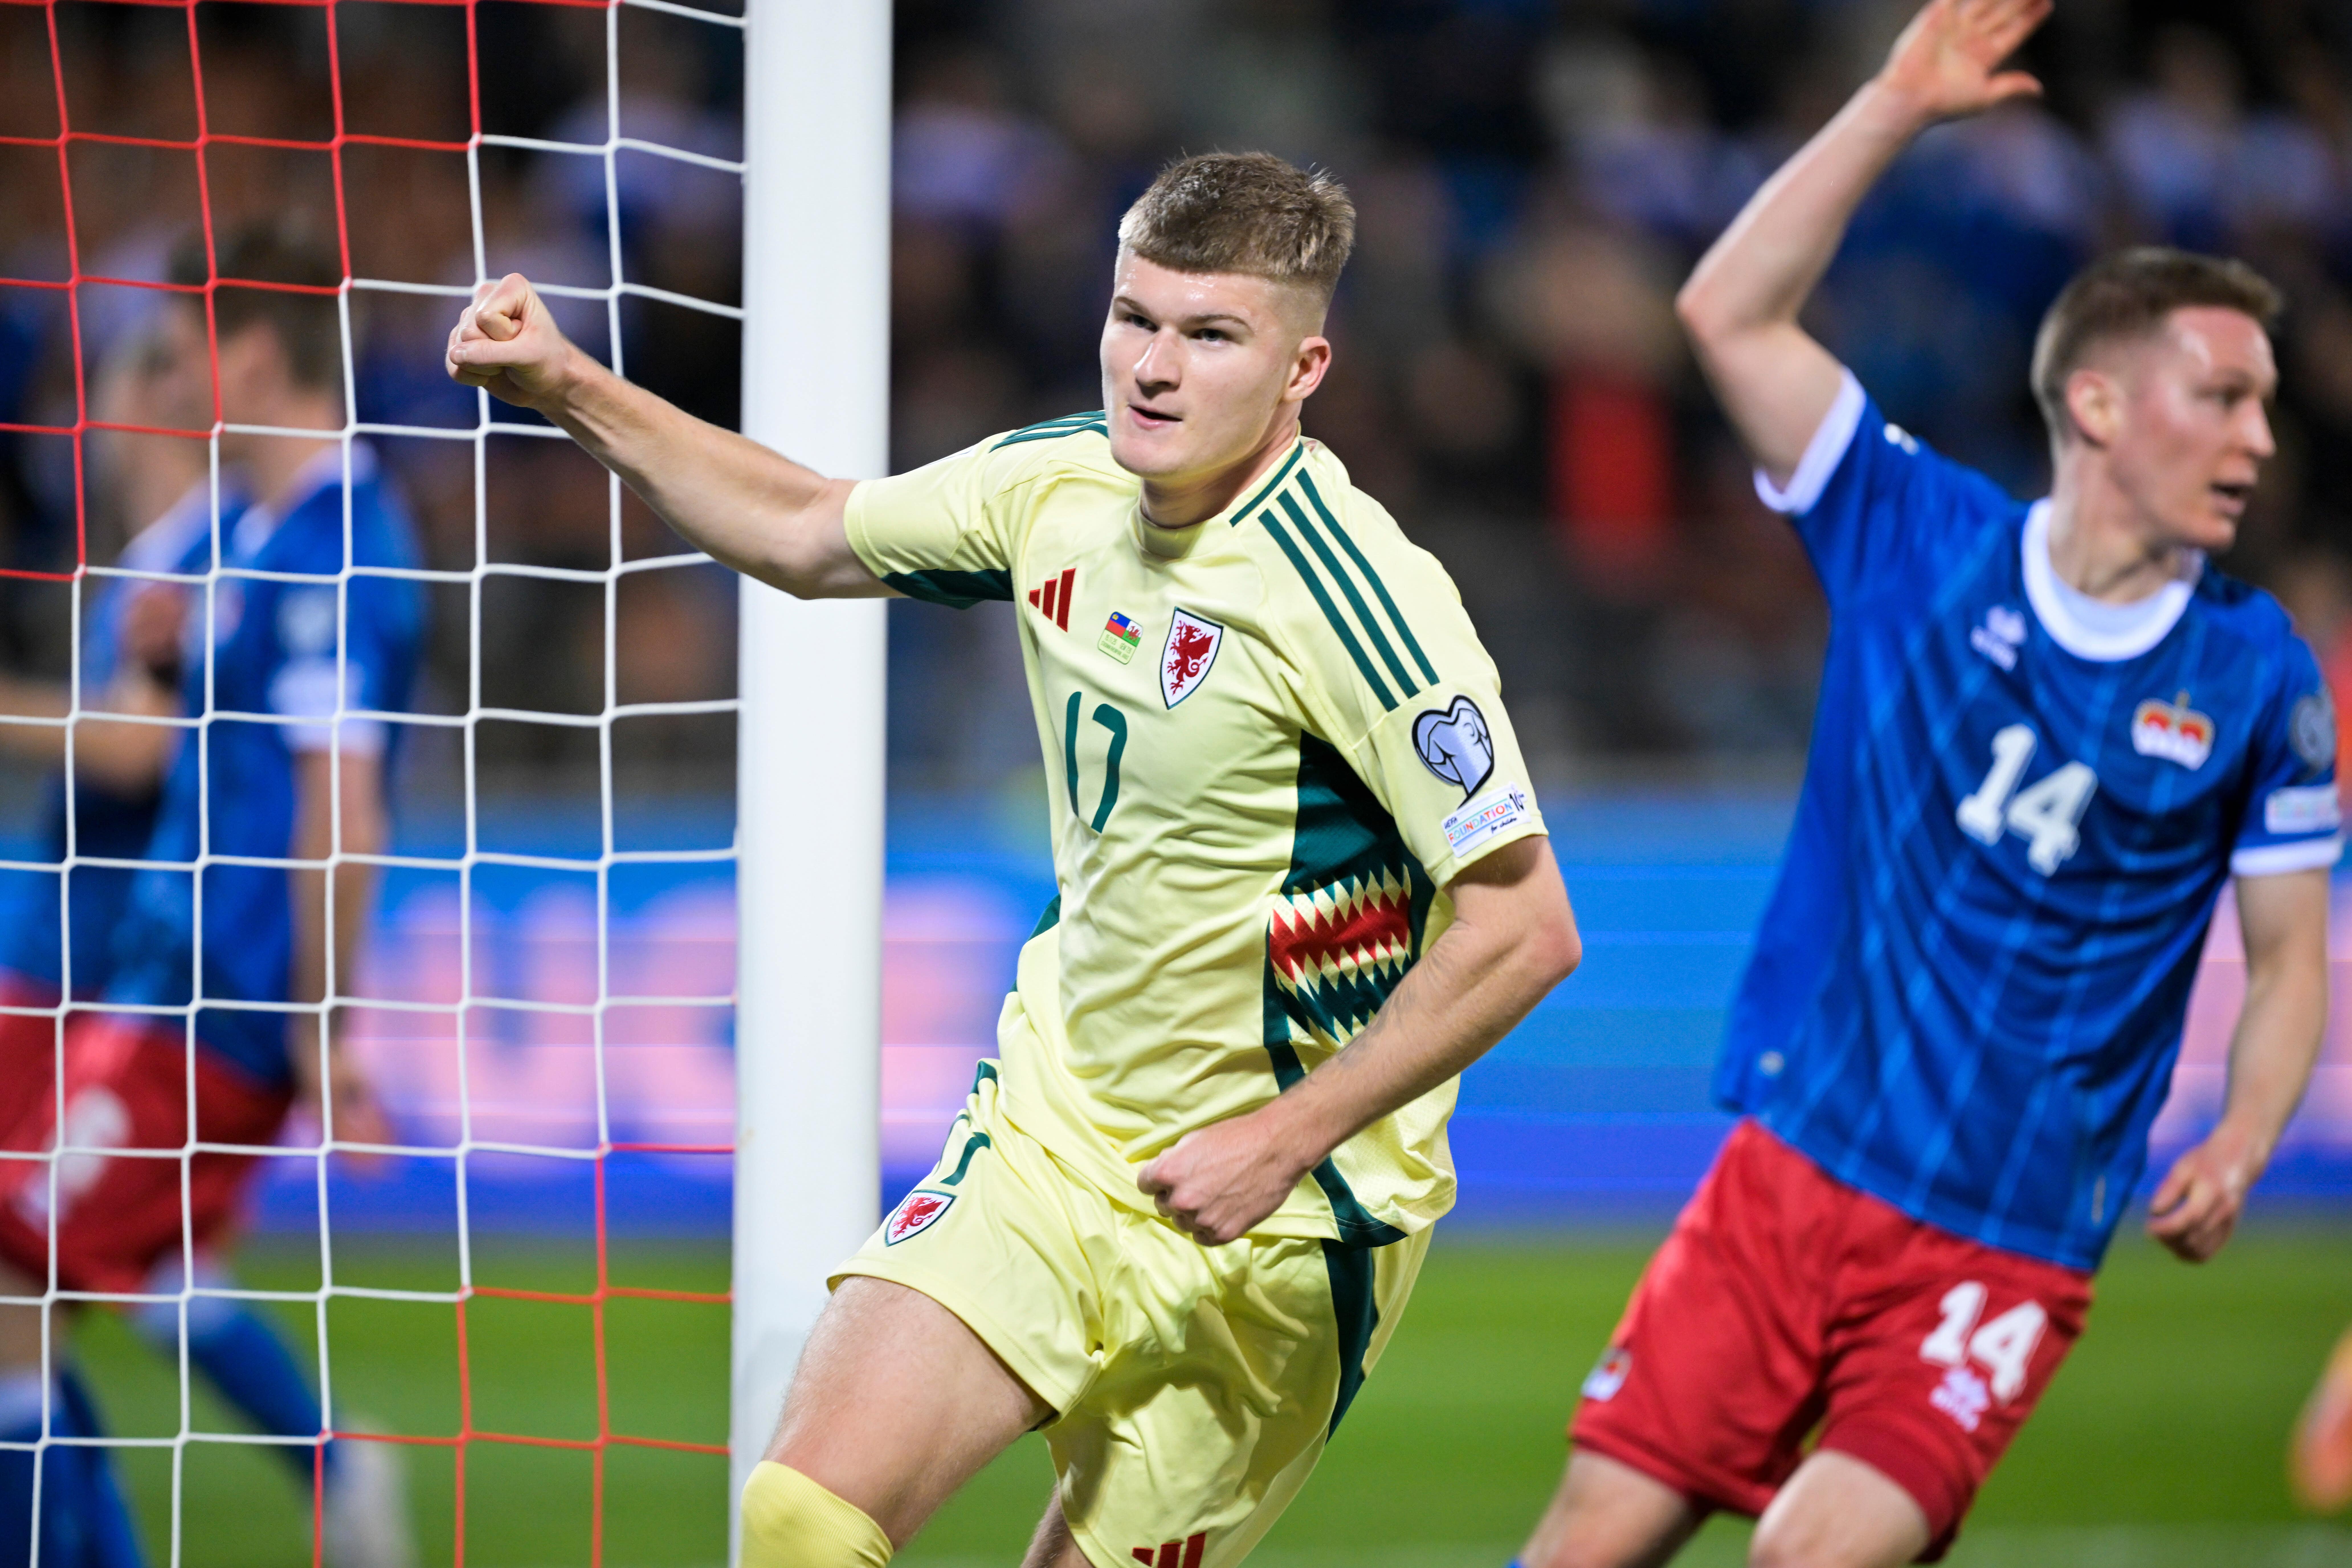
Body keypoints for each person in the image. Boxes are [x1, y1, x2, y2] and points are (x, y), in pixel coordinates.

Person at [447, 149, 1582, 1568]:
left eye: (1211, 334)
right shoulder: (1057, 485)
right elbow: (808, 528)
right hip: (1054, 1140)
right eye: (1135, 318)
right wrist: (568, 383)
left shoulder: (1362, 600)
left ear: (1304, 368)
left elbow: (1524, 926)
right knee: (802, 1518)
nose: (1154, 369)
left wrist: (1280, 1138)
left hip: (1286, 1230)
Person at [1510, 3, 2336, 1567]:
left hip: (2005, 1237)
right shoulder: (1918, 536)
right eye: (2222, 395)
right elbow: (1728, 314)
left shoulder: (2259, 679)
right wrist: (1892, 106)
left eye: (2268, 402)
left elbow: (2292, 958)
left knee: (1809, 1554)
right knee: (1587, 1540)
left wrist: (2243, 1136)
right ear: (2098, 405)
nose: (2260, 437)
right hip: (1791, 1168)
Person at [0, 223, 426, 1568]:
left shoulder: (345, 542)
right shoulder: (250, 534)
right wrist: (172, 642)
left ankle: (316, 1463)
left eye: (189, 357)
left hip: (222, 1002)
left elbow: (341, 807)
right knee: (64, 1291)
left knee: (19, 1281)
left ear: (251, 350)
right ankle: (306, 1466)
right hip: (158, 978)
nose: (173, 395)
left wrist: (323, 1030)